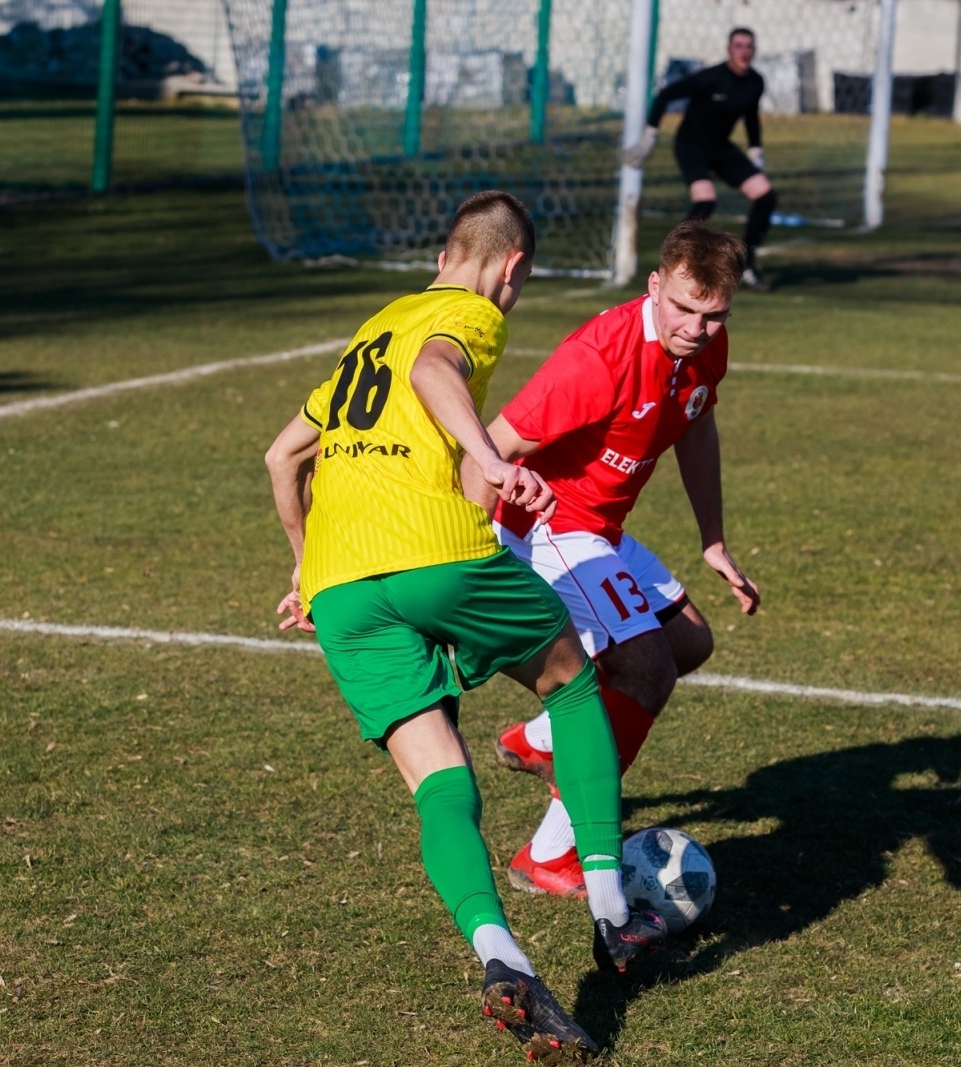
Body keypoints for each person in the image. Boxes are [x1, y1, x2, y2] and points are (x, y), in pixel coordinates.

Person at [263, 190, 664, 1064]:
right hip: (435, 551)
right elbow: (434, 373)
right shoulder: (467, 314)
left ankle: (501, 955)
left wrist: (305, 563)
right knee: (576, 678)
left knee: (438, 779)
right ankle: (612, 913)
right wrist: (488, 460)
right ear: (511, 267)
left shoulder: (379, 323)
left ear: (444, 250)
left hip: (341, 587)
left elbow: (282, 453)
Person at [473, 221, 762, 897]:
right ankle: (551, 852)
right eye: (684, 308)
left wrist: (712, 538)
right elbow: (489, 448)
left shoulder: (704, 350)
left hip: (597, 526)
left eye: (715, 315)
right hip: (541, 524)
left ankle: (543, 738)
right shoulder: (598, 359)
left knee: (688, 640)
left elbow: (694, 423)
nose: (697, 326)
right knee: (646, 668)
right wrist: (470, 553)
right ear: (655, 285)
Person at [623, 27, 778, 292]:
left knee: (765, 195)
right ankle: (676, 263)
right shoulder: (711, 78)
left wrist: (755, 151)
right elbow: (665, 95)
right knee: (705, 200)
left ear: (754, 51)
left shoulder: (755, 82)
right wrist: (650, 135)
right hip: (691, 145)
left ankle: (748, 262)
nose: (744, 51)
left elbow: (751, 116)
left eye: (749, 46)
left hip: (721, 148)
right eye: (738, 45)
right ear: (729, 50)